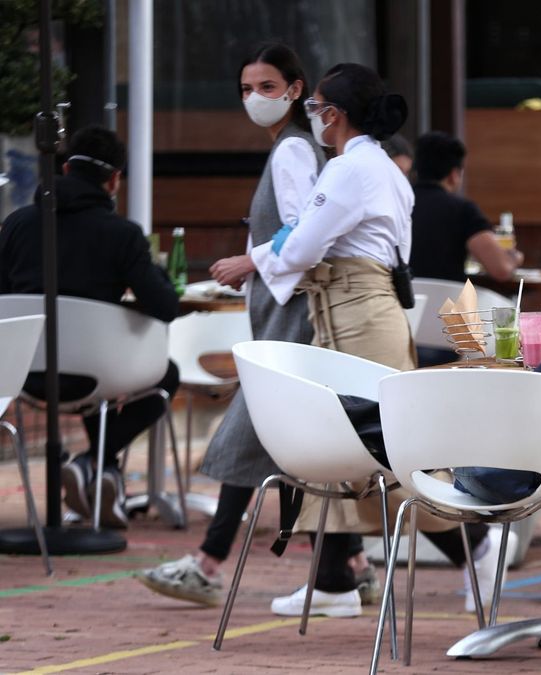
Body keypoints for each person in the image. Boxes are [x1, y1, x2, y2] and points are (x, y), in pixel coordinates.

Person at [135, 42, 334, 607]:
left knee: (253, 433)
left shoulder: (293, 152)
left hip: (291, 317)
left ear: (295, 90)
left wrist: (251, 260)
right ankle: (350, 566)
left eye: (267, 87)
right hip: (284, 314)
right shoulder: (297, 148)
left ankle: (208, 561)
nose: (255, 99)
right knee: (296, 445)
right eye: (246, 89)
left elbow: (301, 233)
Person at [247, 61, 418, 619]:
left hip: (355, 310)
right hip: (362, 308)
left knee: (377, 450)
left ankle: (479, 548)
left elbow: (298, 251)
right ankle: (333, 579)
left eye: (316, 107)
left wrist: (254, 256)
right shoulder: (382, 167)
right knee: (349, 448)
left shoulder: (348, 170)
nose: (312, 118)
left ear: (333, 114)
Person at [0, 125, 179, 530]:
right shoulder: (122, 235)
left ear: (65, 168)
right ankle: (95, 465)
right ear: (114, 180)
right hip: (97, 375)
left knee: (100, 385)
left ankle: (102, 476)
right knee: (162, 376)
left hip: (24, 372)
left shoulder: (17, 225)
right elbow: (164, 306)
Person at [409, 131, 522, 283]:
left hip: (402, 303)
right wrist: (514, 257)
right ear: (454, 174)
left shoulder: (398, 204)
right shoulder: (462, 210)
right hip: (449, 304)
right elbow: (501, 268)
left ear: (415, 171)